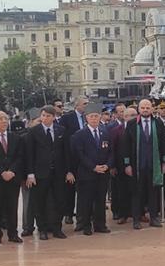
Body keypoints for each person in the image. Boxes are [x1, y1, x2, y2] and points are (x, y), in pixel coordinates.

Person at [122, 99, 165, 229]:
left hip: (154, 165)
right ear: (139, 109)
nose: (145, 110)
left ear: (152, 109)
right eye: (142, 107)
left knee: (153, 192)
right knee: (137, 193)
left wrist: (164, 162)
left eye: (147, 107)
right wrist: (127, 164)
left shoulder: (158, 123)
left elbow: (164, 144)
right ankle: (136, 220)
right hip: (137, 165)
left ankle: (153, 218)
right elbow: (125, 146)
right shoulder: (132, 124)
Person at [24, 105, 71, 240]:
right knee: (40, 202)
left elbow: (66, 152)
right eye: (43, 115)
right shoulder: (33, 131)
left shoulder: (61, 130)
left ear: (54, 117)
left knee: (60, 200)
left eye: (48, 116)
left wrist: (69, 171)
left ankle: (57, 228)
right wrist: (30, 173)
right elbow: (30, 154)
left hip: (58, 172)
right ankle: (42, 229)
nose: (45, 118)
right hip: (40, 173)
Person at [70, 103, 113, 236]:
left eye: (96, 116)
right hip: (87, 173)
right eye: (91, 116)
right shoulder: (79, 135)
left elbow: (111, 151)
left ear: (100, 117)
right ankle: (86, 225)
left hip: (103, 173)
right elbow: (79, 154)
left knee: (100, 200)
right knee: (86, 201)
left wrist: (108, 165)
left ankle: (100, 224)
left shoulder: (105, 132)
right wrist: (93, 167)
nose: (94, 119)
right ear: (86, 118)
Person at [0, 111, 25, 245]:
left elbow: (20, 156)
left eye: (6, 119)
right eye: (0, 119)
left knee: (12, 207)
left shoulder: (15, 137)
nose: (4, 122)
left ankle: (13, 234)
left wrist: (12, 171)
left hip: (13, 178)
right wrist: (2, 172)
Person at [59, 96, 88, 225]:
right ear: (77, 105)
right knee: (69, 187)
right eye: (84, 104)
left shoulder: (90, 117)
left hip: (87, 156)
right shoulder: (67, 118)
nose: (86, 106)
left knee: (85, 187)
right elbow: (63, 138)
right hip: (71, 156)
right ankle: (68, 213)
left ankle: (85, 214)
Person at [110, 107, 135, 224]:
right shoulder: (116, 130)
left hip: (136, 165)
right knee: (122, 191)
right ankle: (123, 214)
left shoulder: (140, 129)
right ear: (125, 117)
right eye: (130, 115)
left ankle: (138, 213)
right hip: (120, 166)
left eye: (135, 115)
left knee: (137, 190)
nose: (133, 118)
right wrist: (113, 166)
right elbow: (113, 149)